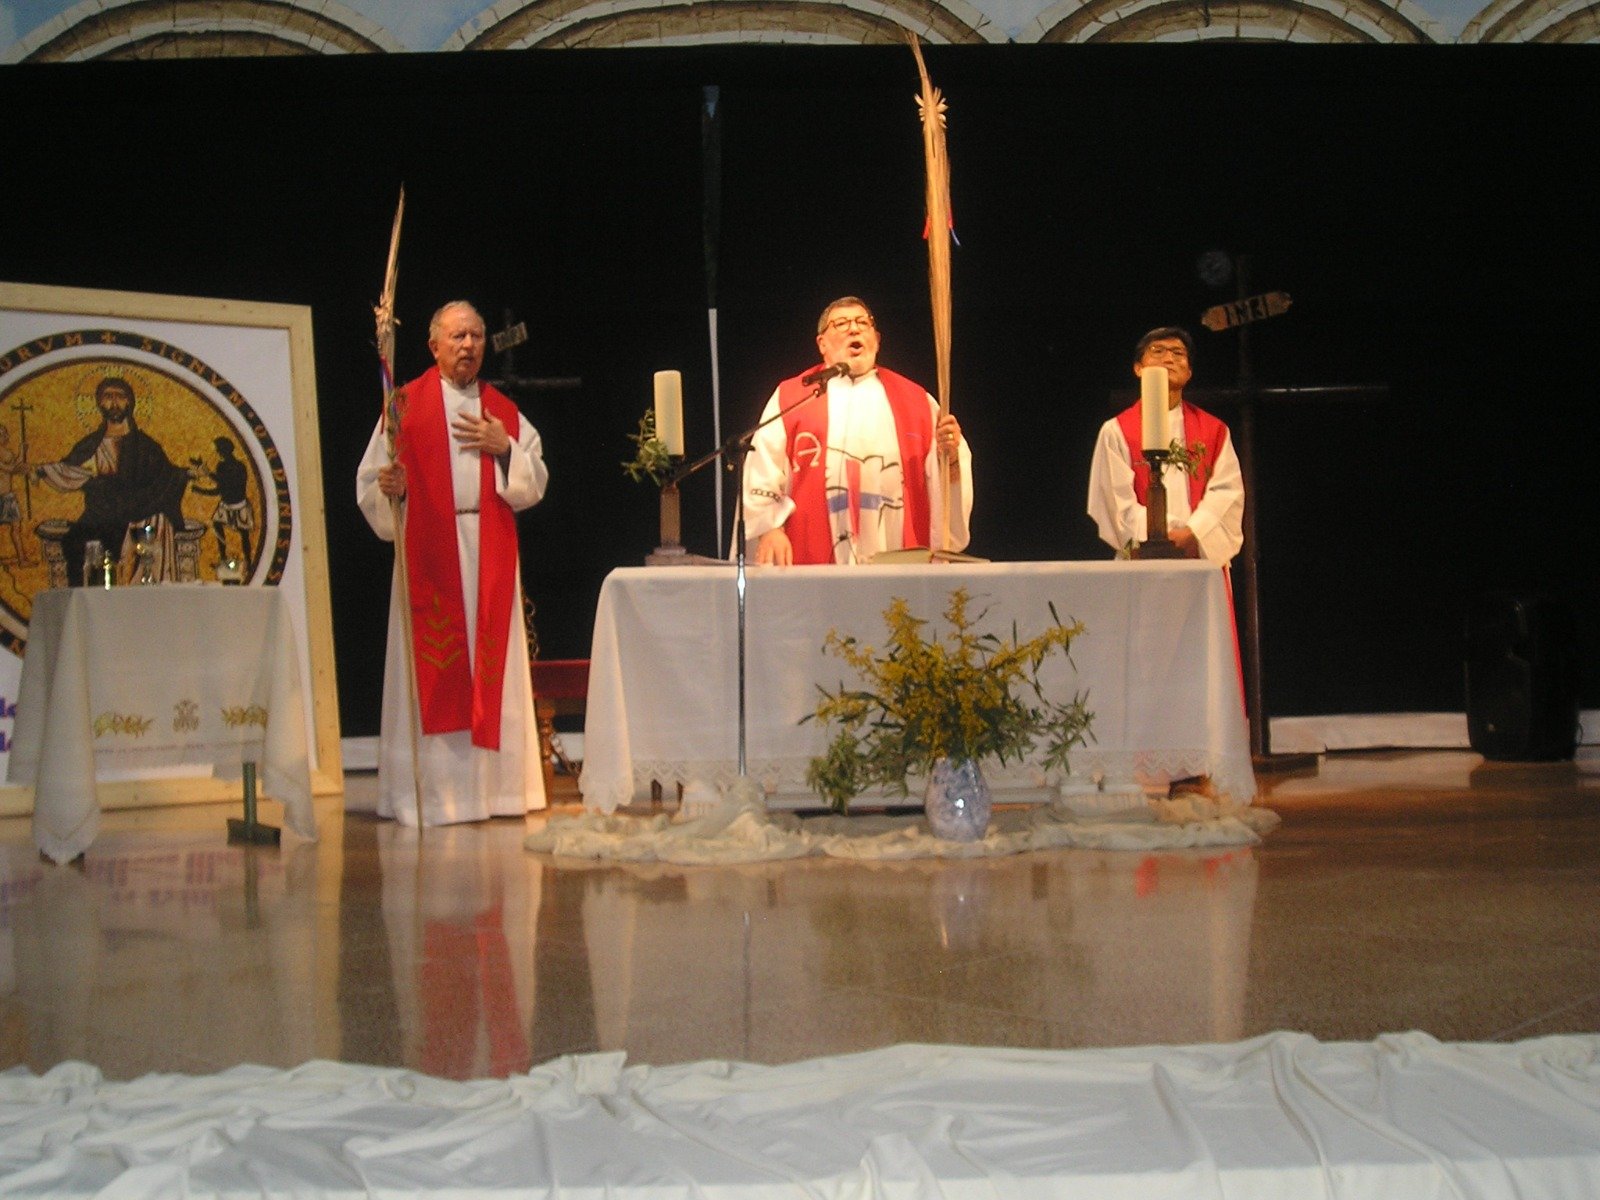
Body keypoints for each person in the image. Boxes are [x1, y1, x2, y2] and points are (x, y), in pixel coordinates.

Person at [357, 300, 550, 825]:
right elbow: (372, 479)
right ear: (434, 346)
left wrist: (504, 448)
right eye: (457, 336)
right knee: (434, 669)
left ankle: (497, 794)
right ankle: (430, 797)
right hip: (430, 549)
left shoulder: (501, 410)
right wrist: (391, 489)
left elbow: (536, 478)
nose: (468, 346)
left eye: (477, 336)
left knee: (492, 671)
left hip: (487, 549)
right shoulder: (403, 404)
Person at [740, 296, 972, 565]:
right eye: (841, 324)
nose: (854, 328)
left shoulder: (917, 401)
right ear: (822, 344)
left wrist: (951, 458)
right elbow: (763, 467)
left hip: (898, 554)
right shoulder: (793, 397)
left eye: (863, 322)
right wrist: (770, 528)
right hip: (813, 559)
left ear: (877, 339)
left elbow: (943, 491)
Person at [1087, 327, 1243, 564]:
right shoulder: (1116, 430)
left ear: (1189, 372)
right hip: (1141, 557)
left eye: (1178, 353)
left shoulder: (1214, 430)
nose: (1169, 359)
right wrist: (1164, 535)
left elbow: (1226, 492)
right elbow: (1114, 500)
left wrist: (1194, 533)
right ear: (1138, 368)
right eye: (1158, 351)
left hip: (1198, 556)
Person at [34, 375, 190, 584]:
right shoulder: (90, 444)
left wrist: (185, 474)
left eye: (120, 396)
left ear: (130, 402)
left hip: (136, 512)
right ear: (99, 402)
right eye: (108, 396)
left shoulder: (146, 446)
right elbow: (68, 472)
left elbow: (165, 477)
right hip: (99, 514)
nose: (114, 402)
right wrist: (42, 471)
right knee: (75, 542)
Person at [189, 436, 254, 566]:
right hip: (230, 504)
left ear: (223, 451)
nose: (217, 453)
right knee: (219, 525)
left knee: (243, 533)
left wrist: (199, 490)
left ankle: (246, 561)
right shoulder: (231, 466)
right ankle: (227, 559)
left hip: (238, 505)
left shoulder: (232, 467)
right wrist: (204, 470)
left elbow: (220, 488)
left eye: (218, 450)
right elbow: (221, 481)